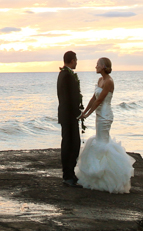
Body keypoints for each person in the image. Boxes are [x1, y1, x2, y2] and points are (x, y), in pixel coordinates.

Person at [75, 56, 135, 193]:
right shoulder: (100, 80)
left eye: (97, 65)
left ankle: (108, 177)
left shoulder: (109, 82)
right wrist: (84, 112)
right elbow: (93, 98)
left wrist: (87, 115)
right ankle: (99, 177)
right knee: (100, 140)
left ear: (103, 67)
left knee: (102, 142)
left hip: (105, 116)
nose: (95, 66)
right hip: (98, 115)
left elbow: (100, 101)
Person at [56, 50, 83, 187]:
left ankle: (70, 173)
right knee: (70, 144)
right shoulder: (66, 75)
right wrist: (77, 113)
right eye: (76, 60)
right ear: (72, 60)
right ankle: (67, 175)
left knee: (73, 143)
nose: (77, 62)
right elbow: (68, 98)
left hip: (68, 114)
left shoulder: (64, 74)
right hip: (69, 115)